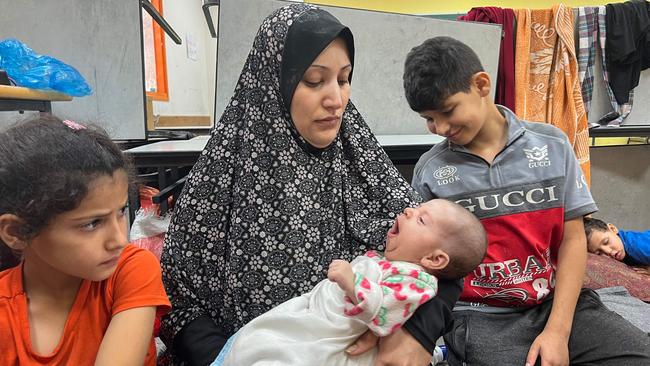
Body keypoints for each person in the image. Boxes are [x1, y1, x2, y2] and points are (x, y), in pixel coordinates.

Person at [160, 4, 461, 366]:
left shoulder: (362, 160)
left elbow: (446, 254)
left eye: (344, 79)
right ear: (274, 83)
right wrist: (226, 357)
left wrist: (419, 333)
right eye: (314, 81)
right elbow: (179, 300)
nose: (336, 100)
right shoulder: (218, 180)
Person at [403, 36, 650, 366]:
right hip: (480, 315)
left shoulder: (552, 144)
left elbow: (573, 240)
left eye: (447, 111)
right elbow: (423, 265)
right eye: (429, 118)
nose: (440, 127)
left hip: (554, 304)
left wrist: (557, 333)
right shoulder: (431, 171)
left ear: (481, 85)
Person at [214, 199, 486, 365]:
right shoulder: (388, 261)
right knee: (260, 341)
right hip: (313, 318)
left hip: (336, 340)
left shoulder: (417, 281)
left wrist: (352, 282)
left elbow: (386, 310)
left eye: (421, 219)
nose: (407, 211)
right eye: (414, 209)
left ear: (435, 259)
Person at [0, 117, 171, 365]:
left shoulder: (131, 269)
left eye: (121, 212)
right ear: (17, 231)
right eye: (92, 223)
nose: (119, 240)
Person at [584, 217, 650, 273]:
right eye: (599, 253)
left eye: (606, 242)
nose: (608, 251)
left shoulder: (637, 246)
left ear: (613, 229)